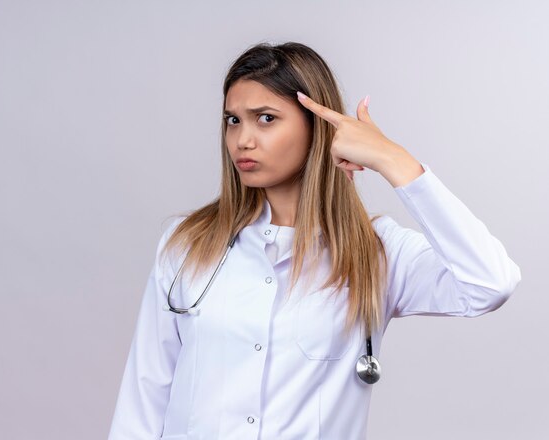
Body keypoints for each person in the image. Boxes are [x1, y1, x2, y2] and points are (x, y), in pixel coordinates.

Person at [107, 41, 521, 440]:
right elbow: (143, 403)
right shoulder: (185, 244)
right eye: (233, 120)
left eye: (265, 118)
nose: (242, 140)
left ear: (318, 127)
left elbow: (489, 283)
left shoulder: (376, 253)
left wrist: (393, 160)